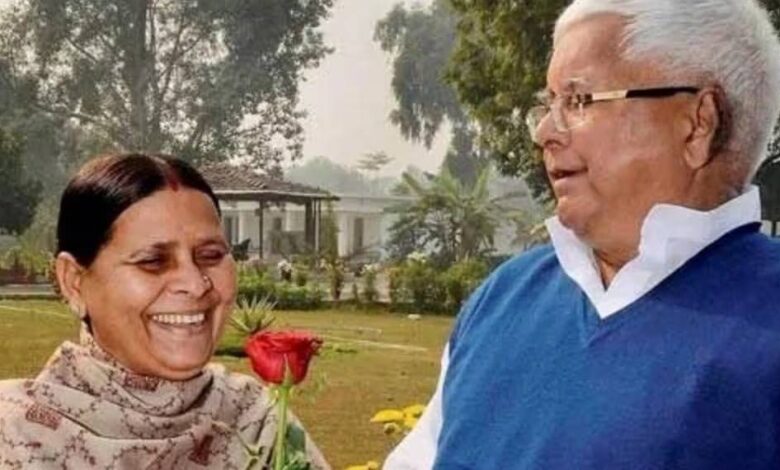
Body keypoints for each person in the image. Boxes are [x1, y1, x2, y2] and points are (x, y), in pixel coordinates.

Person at [386, 0, 780, 468]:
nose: (544, 132)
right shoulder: (503, 300)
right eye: (547, 104)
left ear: (698, 123)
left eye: (578, 100)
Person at [0, 153, 330, 469]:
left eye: (211, 255)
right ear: (74, 282)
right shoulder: (15, 433)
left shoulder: (259, 422)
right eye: (153, 261)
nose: (196, 284)